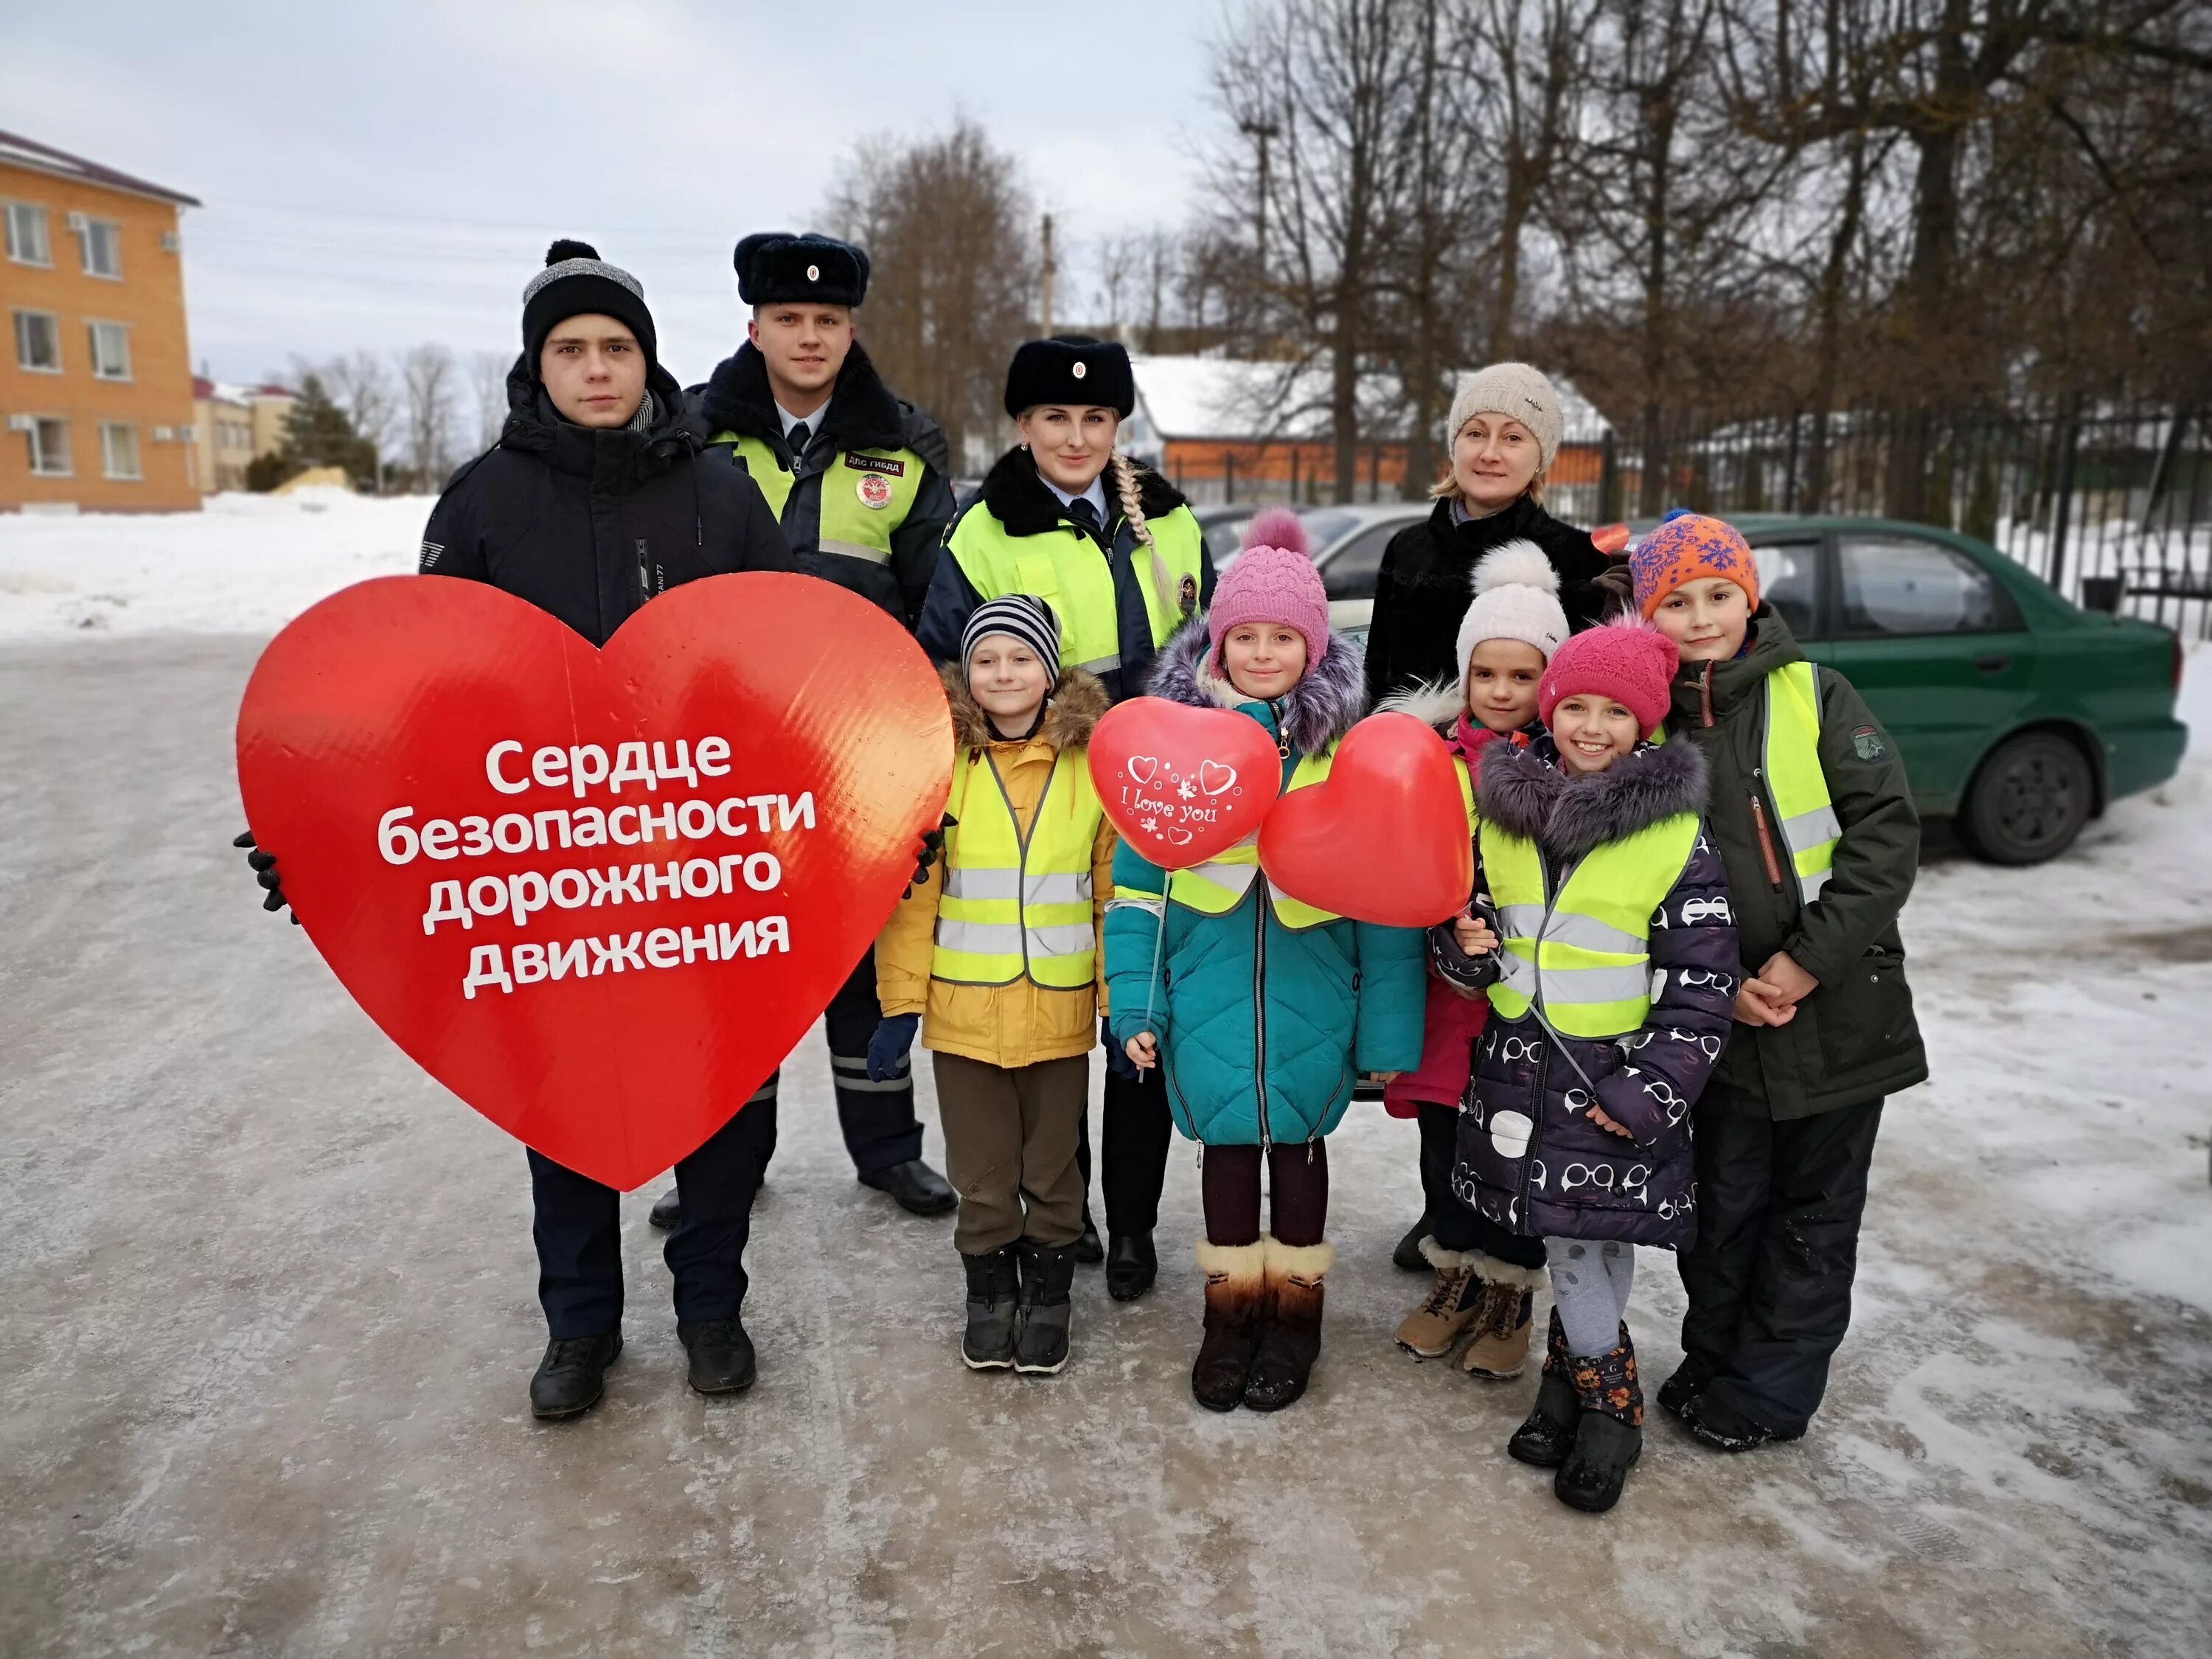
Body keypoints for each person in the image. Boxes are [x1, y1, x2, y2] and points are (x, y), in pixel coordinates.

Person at [239, 241, 799, 1421]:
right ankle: (580, 1325)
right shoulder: (484, 500)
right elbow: (423, 712)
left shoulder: (718, 493)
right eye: (570, 349)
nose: (596, 369)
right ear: (535, 362)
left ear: (648, 360)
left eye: (616, 347)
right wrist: (328, 836)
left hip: (700, 860)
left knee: (722, 1097)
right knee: (567, 1098)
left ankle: (711, 1305)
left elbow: (784, 676)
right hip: (548, 876)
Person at [655, 229, 959, 1227]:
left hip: (853, 758)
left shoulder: (906, 443)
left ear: (851, 327)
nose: (810, 335)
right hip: (722, 759)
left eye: (828, 319)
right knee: (733, 971)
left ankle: (888, 1152)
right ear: (754, 325)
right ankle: (724, 1163)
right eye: (790, 318)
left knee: (863, 963)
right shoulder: (691, 433)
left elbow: (933, 605)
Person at [919, 335, 1219, 1301]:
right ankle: (1067, 1206)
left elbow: (1210, 649)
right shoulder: (985, 531)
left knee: (1139, 1013)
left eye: (1096, 418)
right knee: (1054, 1012)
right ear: (1021, 425)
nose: (1076, 436)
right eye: (1055, 417)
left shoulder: (1167, 518)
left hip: (1162, 798)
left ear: (1118, 424)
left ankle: (1130, 1222)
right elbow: (946, 676)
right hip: (1046, 799)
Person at [1105, 510, 1425, 1413]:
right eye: (1244, 635)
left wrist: (1387, 1030)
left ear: (1313, 649)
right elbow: (1138, 896)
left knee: (1298, 1160)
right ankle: (1229, 1316)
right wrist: (1136, 1007)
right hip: (1202, 1002)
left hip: (1311, 1003)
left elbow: (1386, 906)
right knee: (1227, 1166)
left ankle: (1295, 1321)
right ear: (1217, 643)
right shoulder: (1172, 752)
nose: (1262, 652)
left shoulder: (1343, 759)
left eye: (1283, 637)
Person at [1634, 511, 1927, 1453]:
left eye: (1718, 595)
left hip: (1840, 1017)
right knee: (1719, 1216)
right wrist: (1717, 988)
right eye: (1675, 602)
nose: (1702, 617)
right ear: (1648, 617)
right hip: (1718, 1028)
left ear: (1748, 596)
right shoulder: (1642, 727)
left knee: (1812, 1220)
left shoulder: (1816, 694)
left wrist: (1802, 964)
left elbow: (1884, 838)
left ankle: (1769, 1392)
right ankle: (1714, 1358)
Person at [1439, 613, 1736, 1512]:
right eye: (1577, 707)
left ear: (1645, 725)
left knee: (1587, 1240)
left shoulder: (1673, 836)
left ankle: (1612, 1407)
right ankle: (1569, 1391)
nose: (1592, 727)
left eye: (1616, 711)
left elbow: (1701, 979)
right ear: (1551, 710)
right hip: (1522, 1071)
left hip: (1614, 1082)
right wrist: (1467, 949)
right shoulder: (1504, 815)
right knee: (1580, 1239)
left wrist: (1648, 1090)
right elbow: (1468, 939)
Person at [873, 596, 1115, 1374]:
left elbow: (1113, 892)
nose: (1003, 673)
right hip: (964, 1011)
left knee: (1052, 1166)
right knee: (981, 1171)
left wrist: (1121, 997)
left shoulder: (1093, 768)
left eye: (1020, 658)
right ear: (966, 674)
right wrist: (901, 1005)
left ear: (1050, 671)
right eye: (987, 660)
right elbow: (914, 900)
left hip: (1059, 1006)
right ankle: (990, 1294)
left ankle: (1048, 1295)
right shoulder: (940, 766)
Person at [1376, 543, 1567, 1380]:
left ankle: (1509, 1290)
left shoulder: (1561, 767)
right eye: (1485, 673)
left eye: (1521, 677)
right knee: (1445, 1142)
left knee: (1514, 1143)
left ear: (1547, 681)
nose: (1499, 691)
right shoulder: (1425, 756)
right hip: (1442, 994)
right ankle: (1454, 1272)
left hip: (1524, 1001)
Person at [1363, 363, 1618, 706]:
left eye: (1513, 438)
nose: (1489, 453)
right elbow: (1375, 674)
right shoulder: (1407, 548)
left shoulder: (1580, 559)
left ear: (1540, 457)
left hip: (1518, 755)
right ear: (1455, 446)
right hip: (1403, 750)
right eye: (1476, 434)